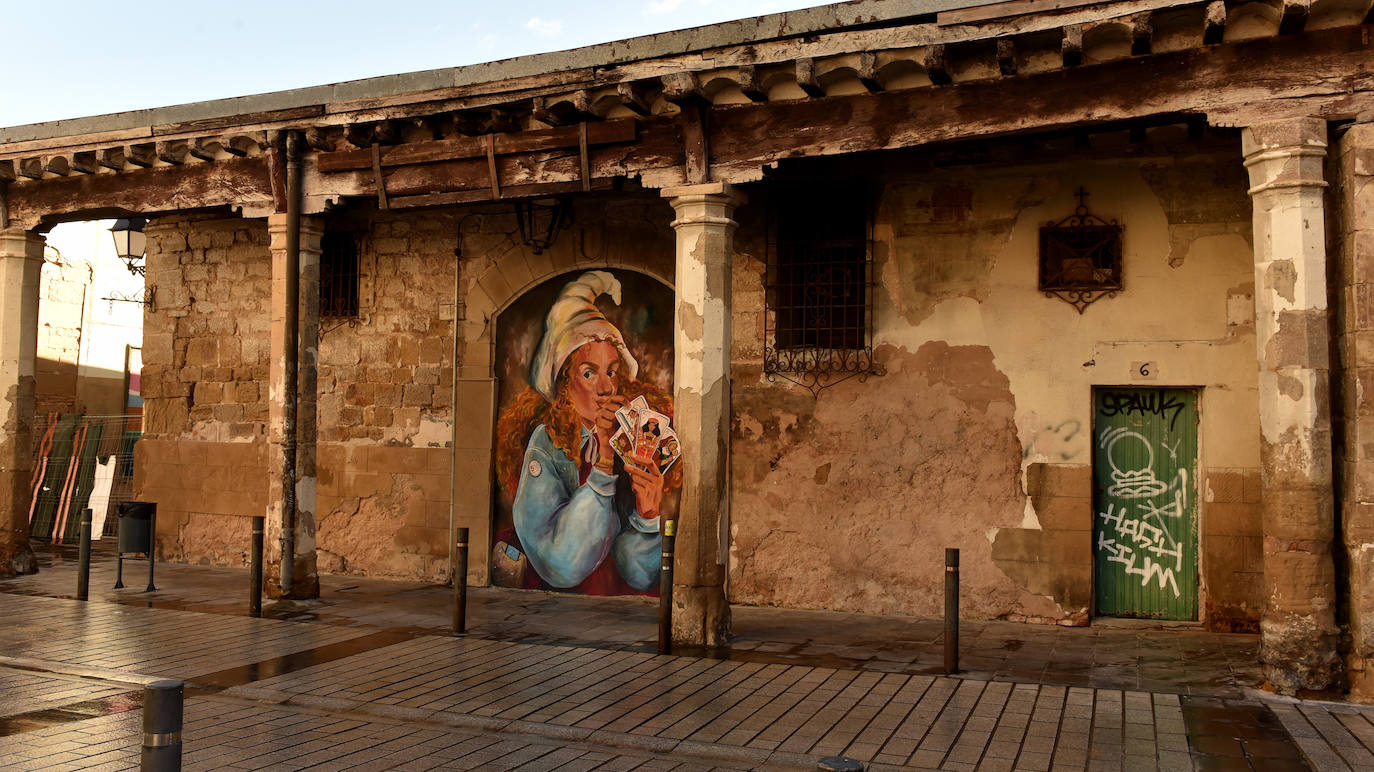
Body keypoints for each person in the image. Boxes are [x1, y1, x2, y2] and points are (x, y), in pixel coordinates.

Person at [495, 271, 678, 594]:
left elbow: (638, 574)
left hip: (617, 614)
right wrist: (605, 461)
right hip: (553, 610)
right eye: (589, 373)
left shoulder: (630, 442)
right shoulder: (546, 443)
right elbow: (562, 563)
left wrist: (647, 515)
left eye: (611, 371)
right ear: (564, 382)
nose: (606, 388)